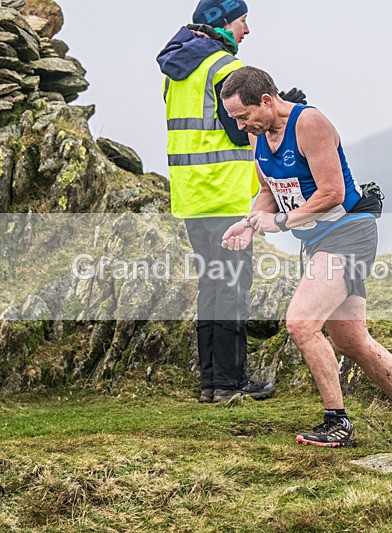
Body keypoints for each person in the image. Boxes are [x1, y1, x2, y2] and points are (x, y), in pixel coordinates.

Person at [219, 66, 392, 455]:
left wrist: (280, 223)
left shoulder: (310, 124)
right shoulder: (260, 139)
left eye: (244, 117)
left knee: (301, 323)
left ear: (267, 101)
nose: (242, 127)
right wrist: (248, 223)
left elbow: (331, 193)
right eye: (236, 120)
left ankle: (337, 422)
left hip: (349, 234)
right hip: (319, 242)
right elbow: (268, 193)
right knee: (352, 341)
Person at [157, 0, 304, 403]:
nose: (247, 30)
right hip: (224, 195)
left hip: (191, 196)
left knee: (212, 286)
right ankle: (229, 383)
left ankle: (211, 382)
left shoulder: (177, 70)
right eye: (243, 21)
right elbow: (240, 131)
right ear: (223, 23)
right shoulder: (224, 68)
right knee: (233, 288)